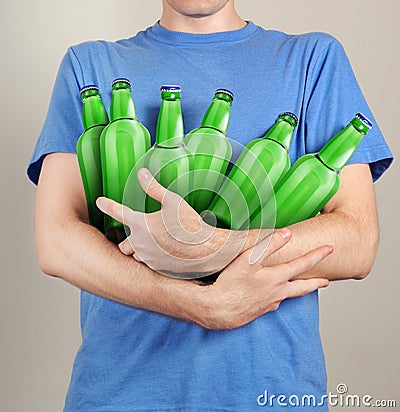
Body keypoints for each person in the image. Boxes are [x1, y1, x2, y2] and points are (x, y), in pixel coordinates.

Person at [27, 0, 393, 411]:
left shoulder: (313, 60)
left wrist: (208, 242)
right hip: (120, 396)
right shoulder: (89, 64)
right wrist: (201, 304)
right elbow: (57, 241)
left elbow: (357, 242)